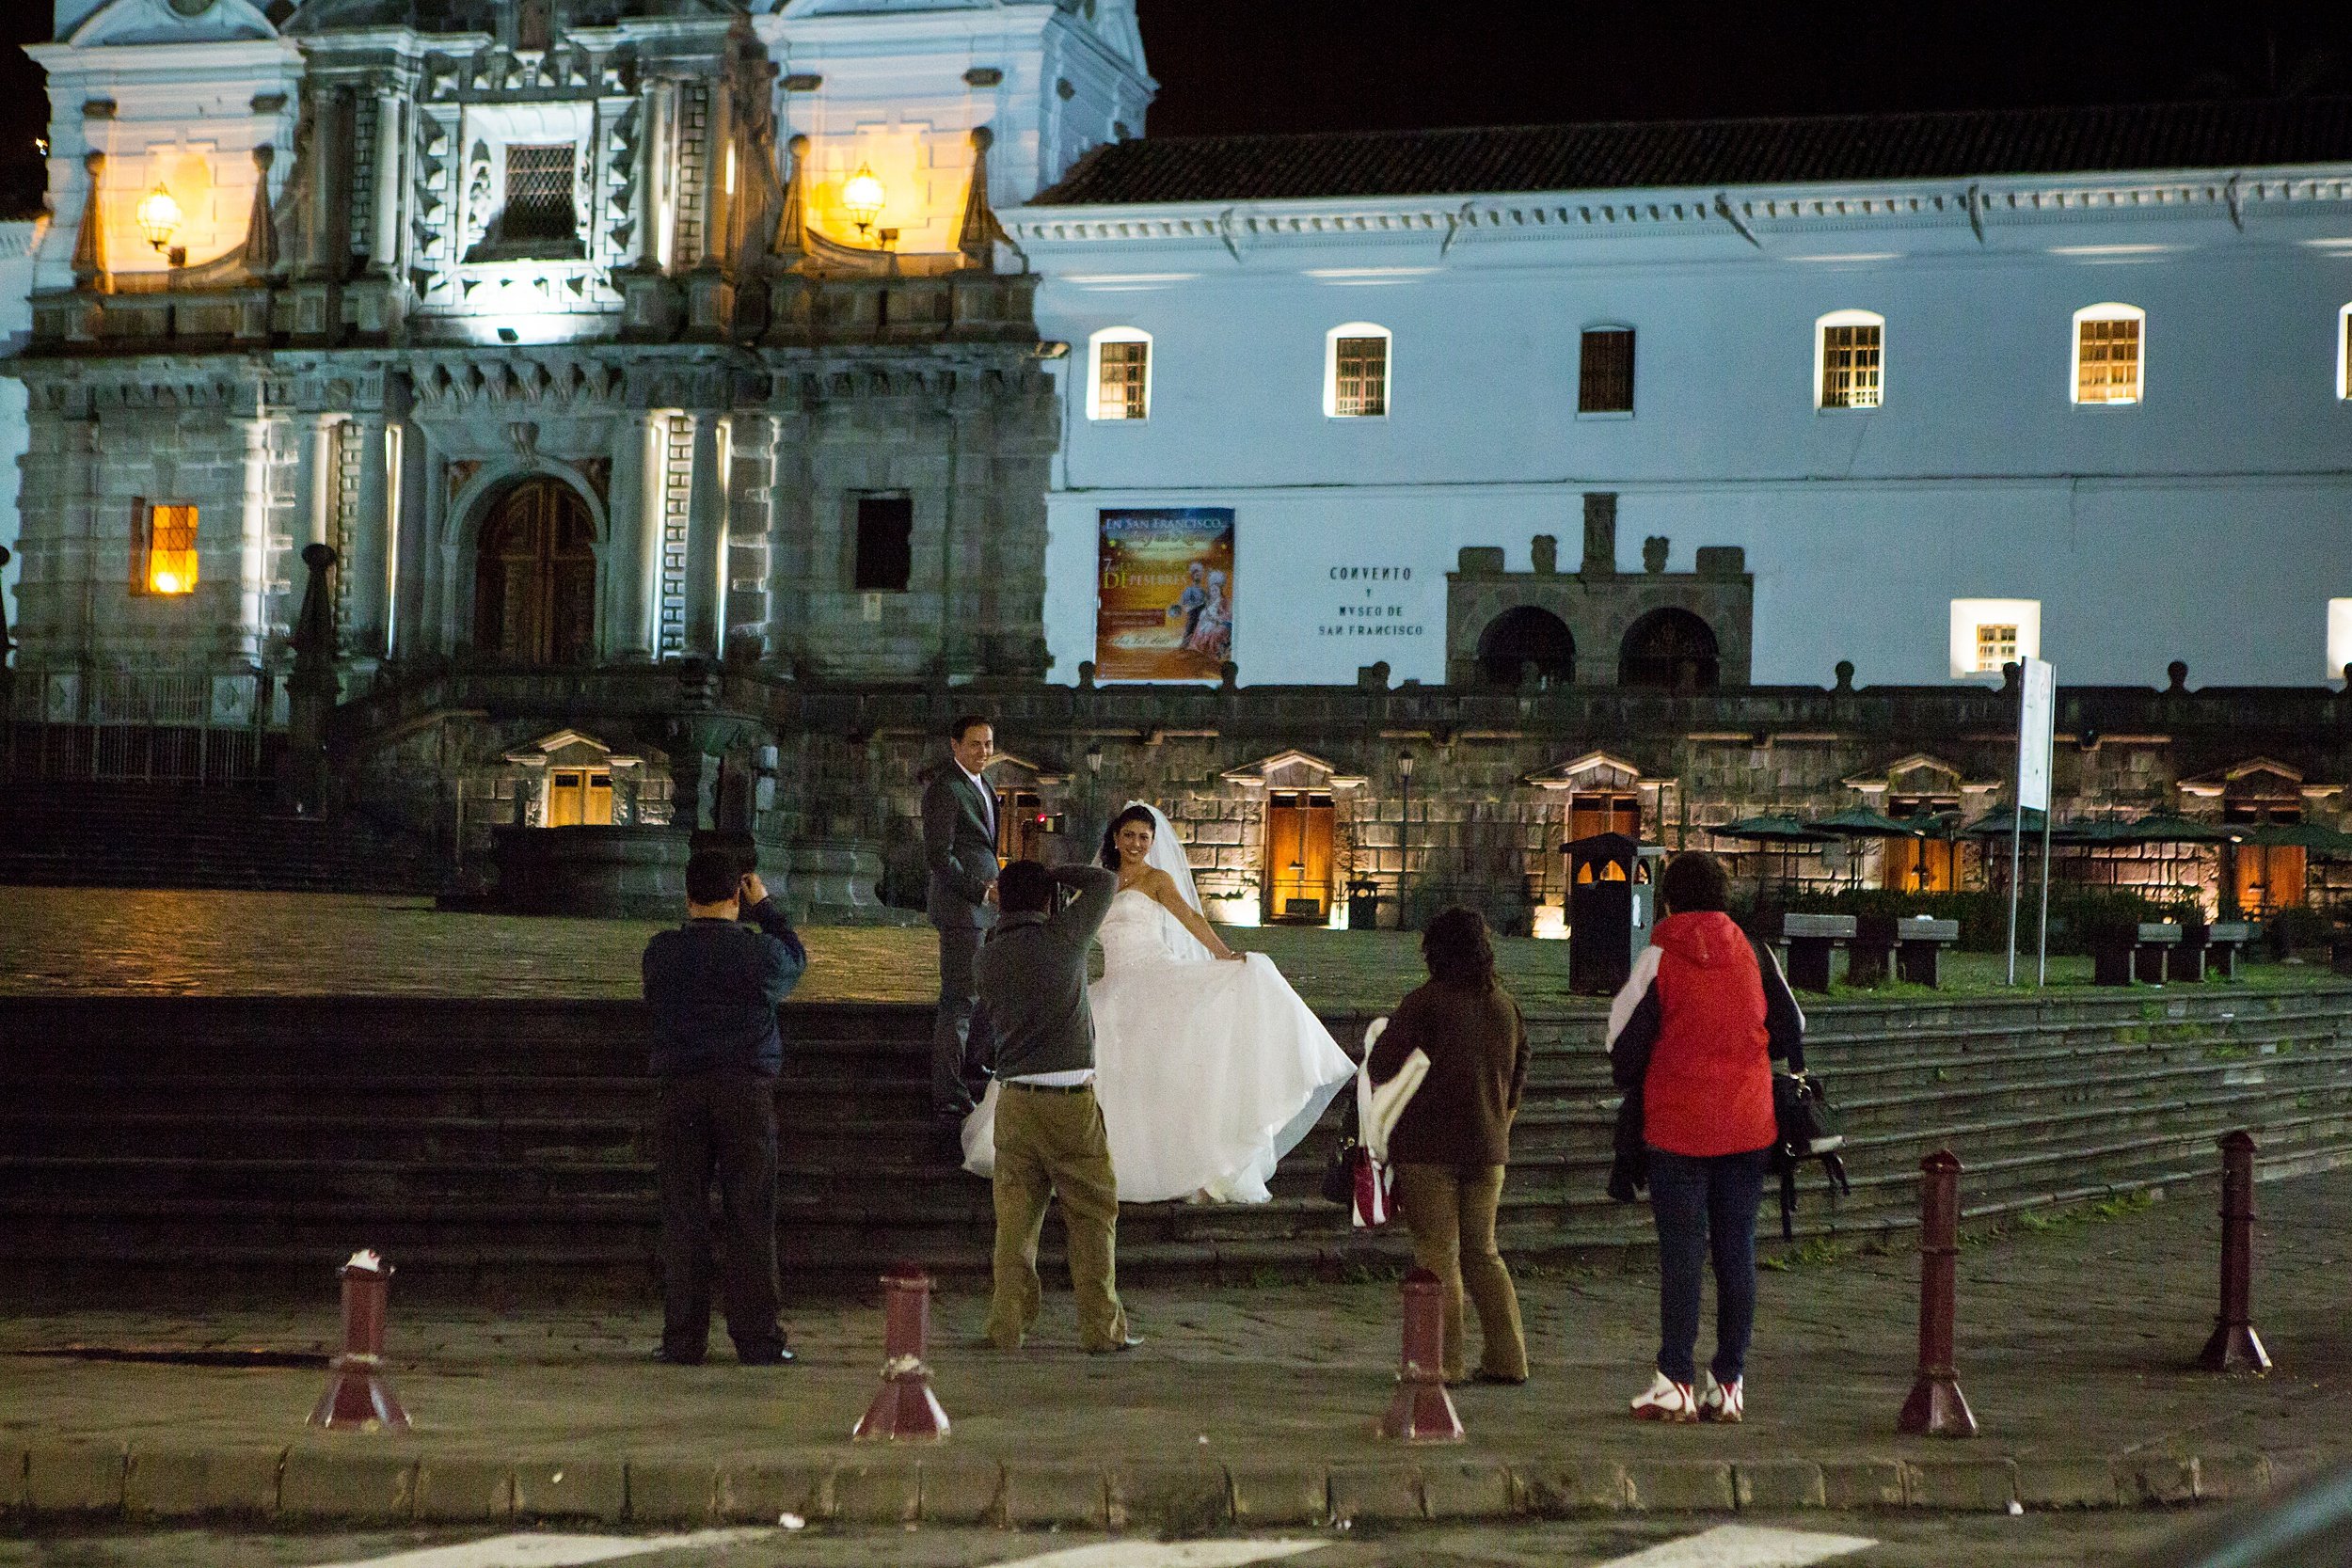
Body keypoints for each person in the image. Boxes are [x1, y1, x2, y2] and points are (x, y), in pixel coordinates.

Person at [962, 802, 1355, 1203]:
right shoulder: (1099, 883)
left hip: (1155, 972)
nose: (1136, 844)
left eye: (1144, 838)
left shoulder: (1157, 879)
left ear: (1152, 842)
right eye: (1129, 835)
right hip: (1115, 982)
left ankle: (1186, 1164)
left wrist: (1223, 954)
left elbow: (1191, 919)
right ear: (1115, 837)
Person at [1605, 849, 1804, 1423]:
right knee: (1736, 1250)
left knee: (1683, 1255)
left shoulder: (1659, 955)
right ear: (1724, 899)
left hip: (1678, 1128)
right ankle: (1731, 1379)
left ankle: (1676, 1379)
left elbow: (1620, 1036)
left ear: (1668, 900)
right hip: (1748, 1126)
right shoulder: (1755, 953)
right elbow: (1793, 1027)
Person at [642, 850, 807, 1366]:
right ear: (737, 895)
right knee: (751, 1216)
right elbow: (796, 961)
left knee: (683, 1216)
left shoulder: (662, 953)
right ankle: (757, 1337)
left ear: (686, 896)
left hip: (681, 1090)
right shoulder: (759, 956)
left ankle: (684, 1337)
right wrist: (768, 911)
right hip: (745, 1091)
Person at [975, 858, 1137, 1353]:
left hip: (1015, 1101)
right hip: (1069, 1102)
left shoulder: (989, 954)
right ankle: (1100, 1329)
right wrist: (1055, 871)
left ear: (1001, 897)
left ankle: (1007, 1326)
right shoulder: (1062, 939)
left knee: (1015, 1223)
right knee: (1092, 1215)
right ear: (1047, 899)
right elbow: (1106, 880)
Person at [1366, 907, 1531, 1386]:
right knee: (1484, 1251)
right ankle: (1508, 1357)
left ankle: (1444, 1364)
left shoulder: (1425, 1002)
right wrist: (1502, 1117)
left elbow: (1381, 1064)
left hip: (1428, 1149)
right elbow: (1522, 1068)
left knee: (1437, 1252)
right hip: (1488, 1148)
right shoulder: (1505, 1004)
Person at [924, 714, 999, 1124]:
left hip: (986, 908)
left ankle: (975, 1064)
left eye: (988, 744)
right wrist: (981, 889)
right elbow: (939, 855)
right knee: (960, 998)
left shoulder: (984, 786)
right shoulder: (944, 788)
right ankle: (949, 1092)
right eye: (975, 744)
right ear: (955, 745)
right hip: (961, 908)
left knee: (987, 991)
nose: (983, 751)